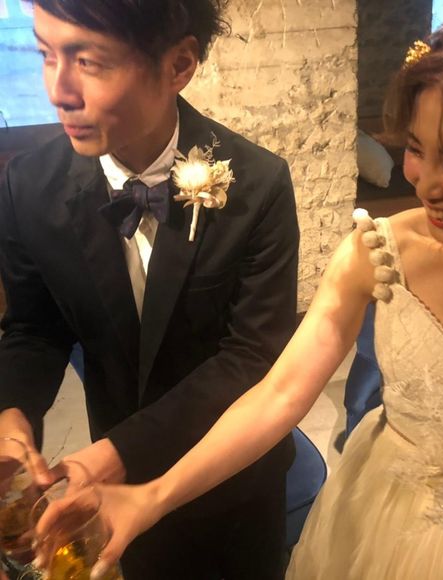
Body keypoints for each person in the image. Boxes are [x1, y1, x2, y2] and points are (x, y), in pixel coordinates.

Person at [48, 0, 443, 578]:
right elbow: (278, 394)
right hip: (385, 522)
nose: (423, 182)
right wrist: (153, 496)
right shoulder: (378, 251)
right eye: (415, 149)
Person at [0, 1, 300, 579]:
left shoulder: (258, 185)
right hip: (109, 495)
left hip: (230, 483)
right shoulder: (29, 186)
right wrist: (11, 415)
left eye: (88, 62)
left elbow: (250, 358)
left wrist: (115, 455)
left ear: (179, 65)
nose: (57, 91)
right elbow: (34, 328)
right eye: (45, 54)